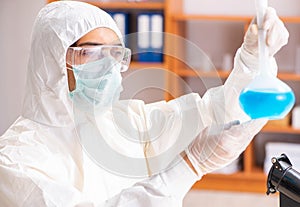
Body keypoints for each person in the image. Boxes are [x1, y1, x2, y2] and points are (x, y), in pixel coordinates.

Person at [0, 1, 288, 206]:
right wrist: (191, 164)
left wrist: (252, 59)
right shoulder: (16, 161)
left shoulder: (126, 122)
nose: (109, 67)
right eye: (91, 53)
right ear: (53, 62)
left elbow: (211, 113)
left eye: (114, 54)